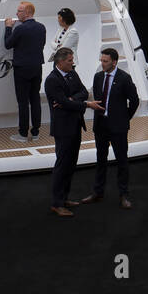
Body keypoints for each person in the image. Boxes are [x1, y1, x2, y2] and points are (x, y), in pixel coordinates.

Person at [80, 48, 139, 209]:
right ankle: (98, 192)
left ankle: (123, 194)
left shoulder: (124, 79)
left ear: (114, 62)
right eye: (101, 60)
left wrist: (124, 117)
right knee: (100, 160)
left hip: (118, 127)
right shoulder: (98, 77)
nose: (102, 63)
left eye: (105, 61)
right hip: (101, 126)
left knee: (121, 161)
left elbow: (134, 101)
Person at [46, 47, 89, 217]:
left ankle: (64, 198)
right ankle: (57, 203)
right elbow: (63, 102)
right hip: (63, 129)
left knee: (71, 164)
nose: (73, 63)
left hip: (75, 125)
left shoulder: (72, 73)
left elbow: (84, 92)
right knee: (62, 165)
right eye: (70, 60)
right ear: (60, 62)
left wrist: (71, 99)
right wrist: (80, 103)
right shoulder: (52, 80)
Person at [4, 1, 47, 141]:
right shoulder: (41, 27)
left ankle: (23, 133)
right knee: (35, 99)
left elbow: (8, 44)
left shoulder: (20, 29)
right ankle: (35, 132)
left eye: (19, 11)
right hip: (36, 67)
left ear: (28, 13)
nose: (17, 13)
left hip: (22, 68)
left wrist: (8, 28)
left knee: (23, 102)